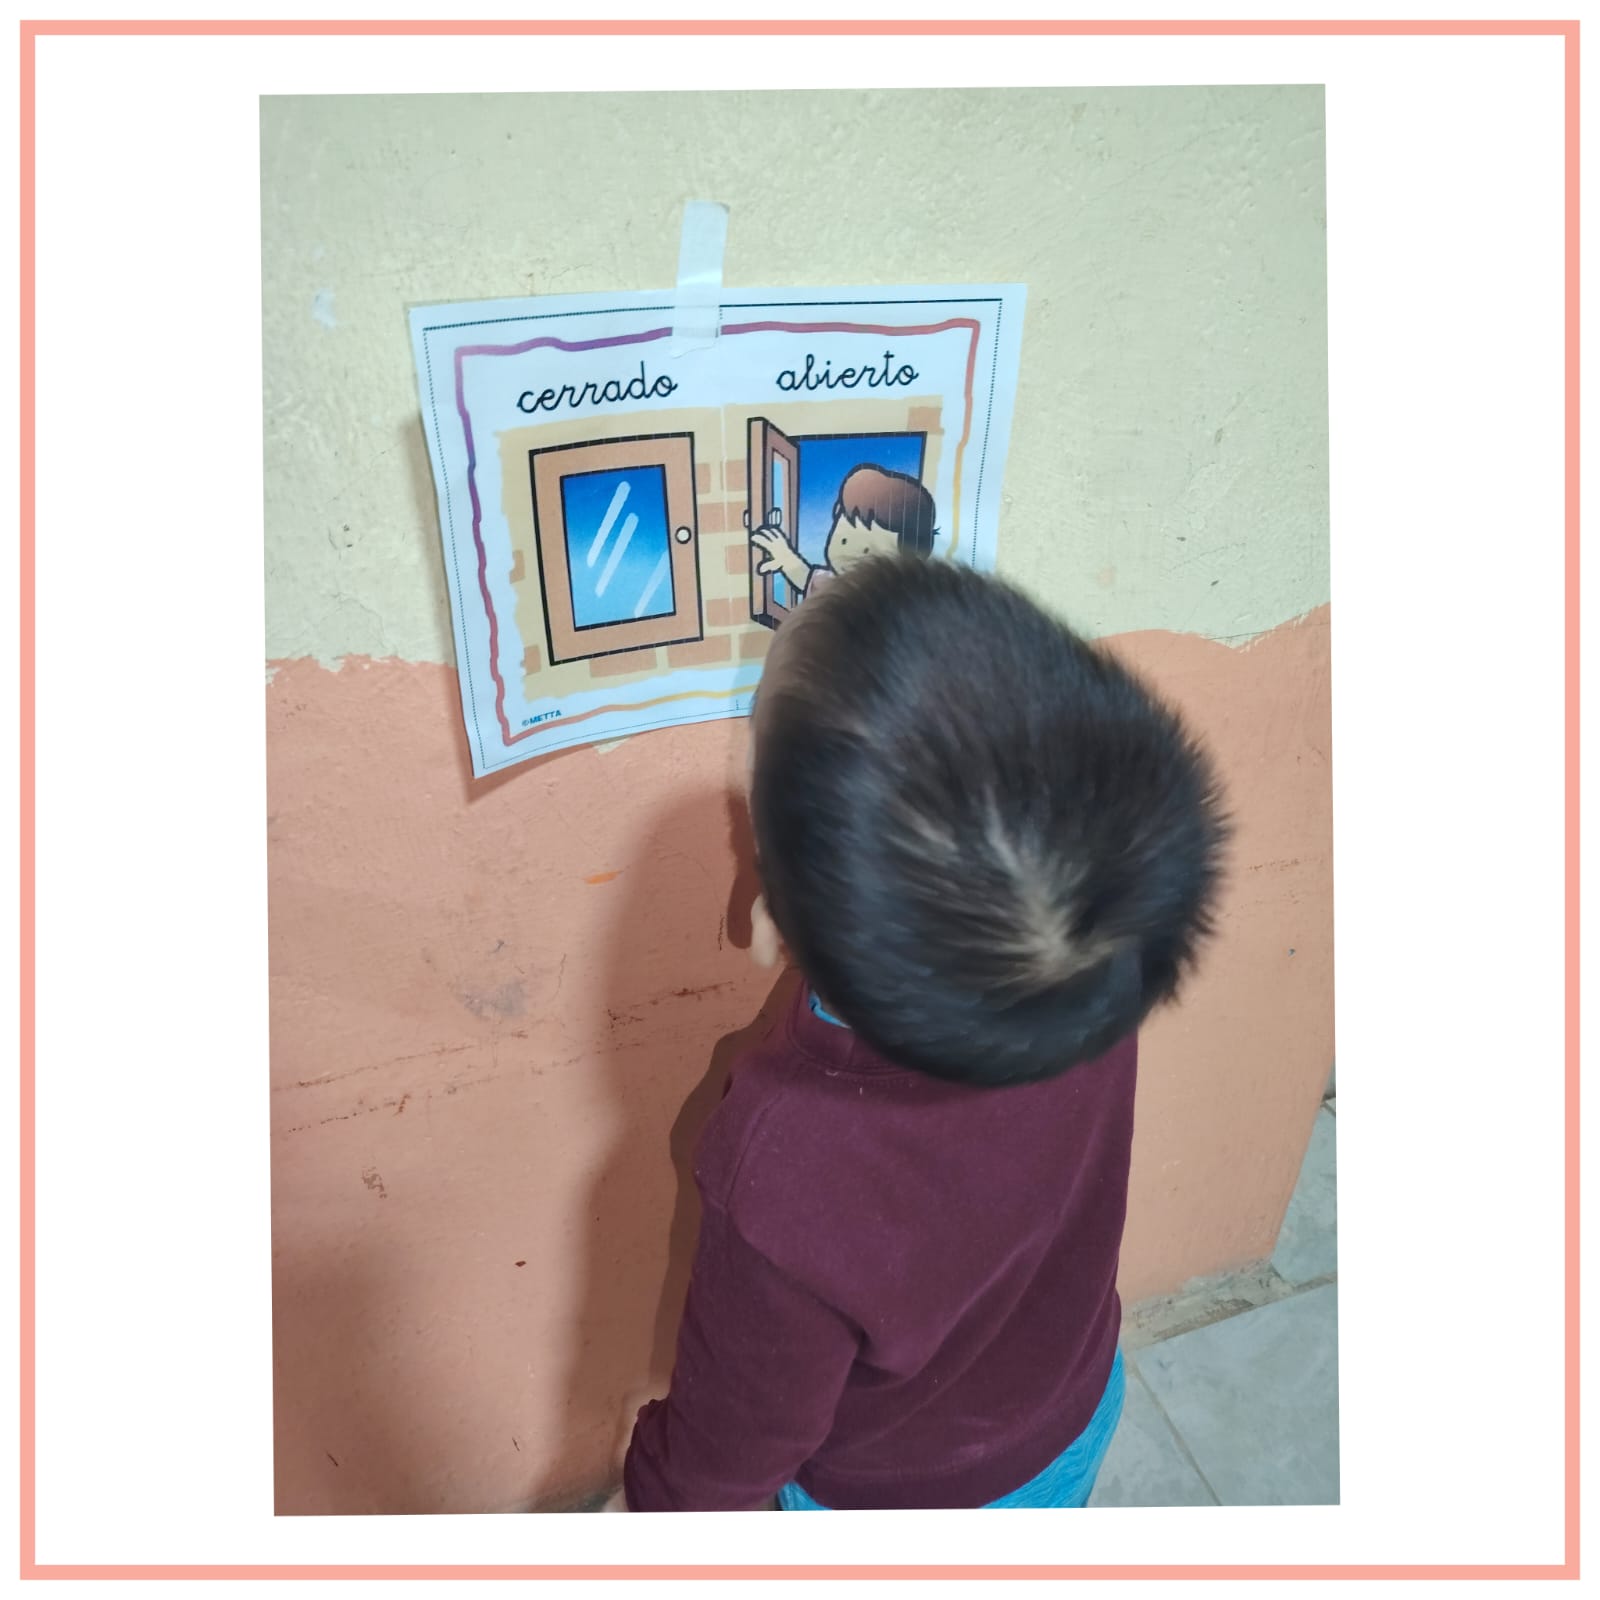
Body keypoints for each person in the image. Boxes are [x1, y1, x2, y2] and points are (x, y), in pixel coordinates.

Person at [611, 555, 1229, 1511]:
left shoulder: (781, 1163)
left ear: (773, 911)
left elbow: (725, 1454)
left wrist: (650, 1508)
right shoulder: (1092, 963)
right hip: (1072, 1414)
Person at [750, 462, 936, 601]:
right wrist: (786, 557)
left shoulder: (893, 600)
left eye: (867, 551)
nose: (849, 555)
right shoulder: (838, 584)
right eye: (844, 540)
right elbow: (808, 578)